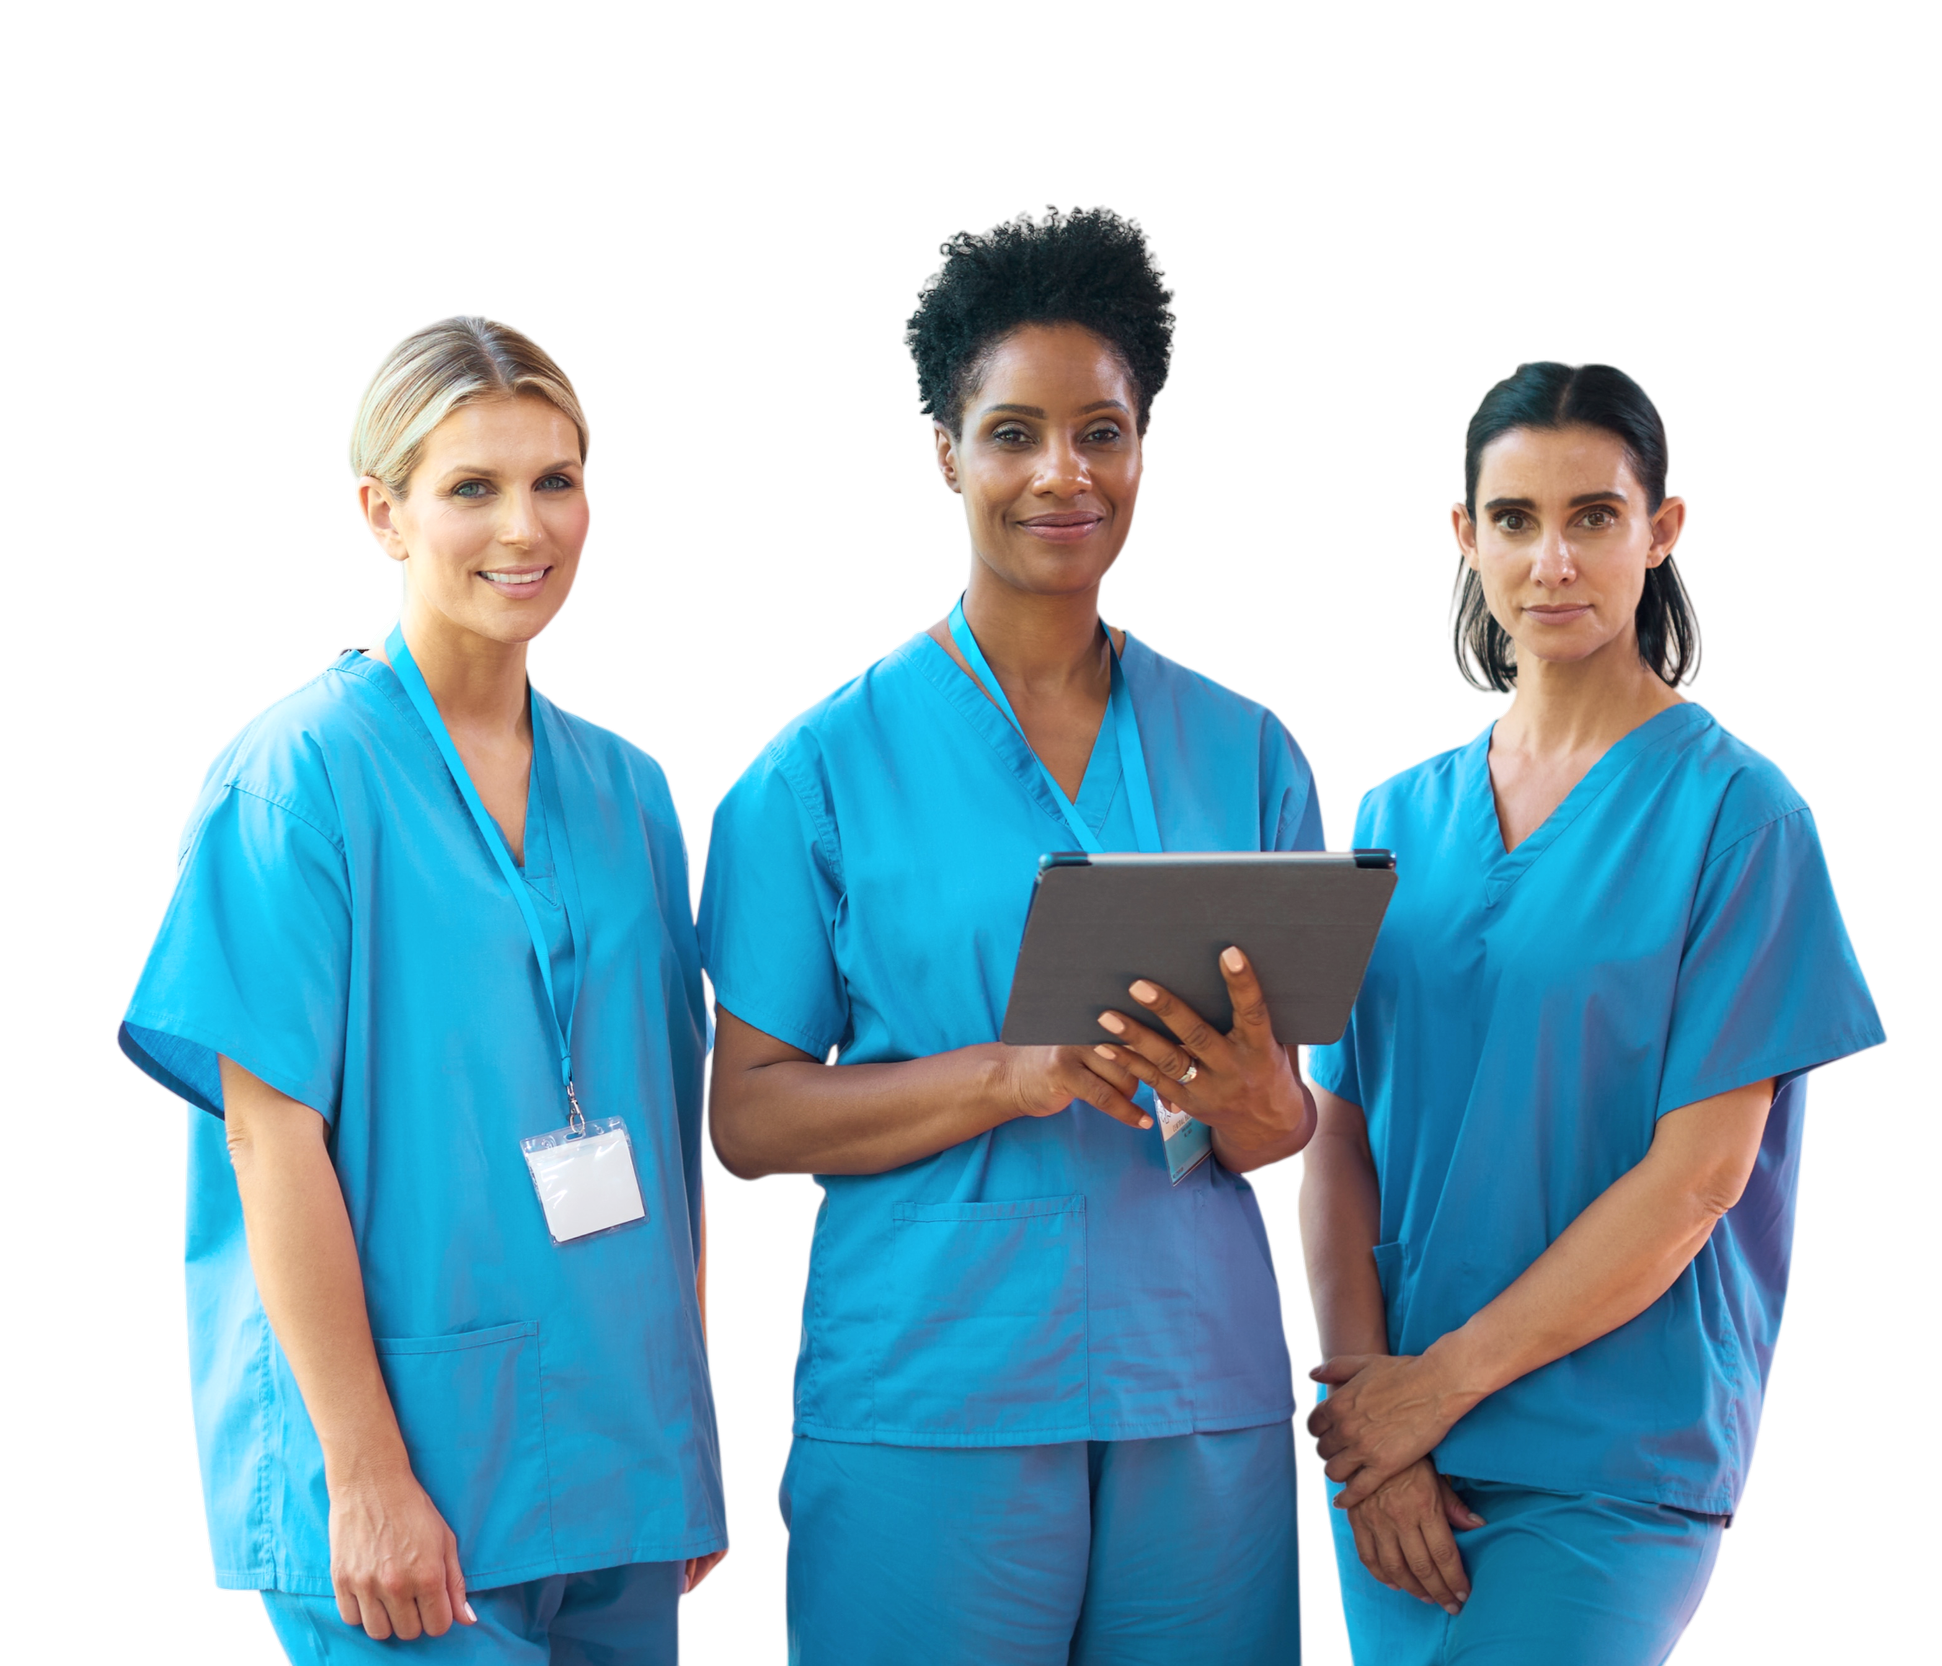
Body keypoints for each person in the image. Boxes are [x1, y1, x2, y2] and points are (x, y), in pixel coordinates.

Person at [697, 206, 1319, 1666]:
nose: (1062, 473)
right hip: (933, 1396)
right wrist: (1006, 1074)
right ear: (943, 451)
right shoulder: (813, 773)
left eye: (1100, 431)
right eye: (1014, 432)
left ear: (1145, 450)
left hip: (1199, 1386)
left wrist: (1258, 1107)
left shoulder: (1249, 755)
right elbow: (747, 1117)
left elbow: (1290, 1121)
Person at [119, 315, 728, 1663]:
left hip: (621, 1461)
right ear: (380, 509)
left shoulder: (631, 793)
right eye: (473, 487)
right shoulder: (294, 780)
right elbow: (269, 1140)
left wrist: (681, 1436)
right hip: (413, 1481)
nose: (526, 526)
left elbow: (669, 1131)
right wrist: (365, 1474)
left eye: (555, 480)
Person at [1297, 359, 1886, 1664]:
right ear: (1464, 536)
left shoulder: (1740, 816)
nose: (1550, 559)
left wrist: (1430, 1389)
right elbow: (1334, 1133)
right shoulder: (1393, 818)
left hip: (1610, 1454)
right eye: (1512, 518)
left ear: (1661, 530)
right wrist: (1367, 1418)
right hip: (1395, 1455)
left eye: (1593, 516)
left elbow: (1695, 1180)